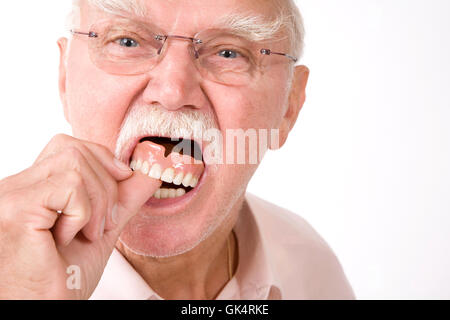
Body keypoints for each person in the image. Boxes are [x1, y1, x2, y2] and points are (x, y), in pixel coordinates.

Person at [0, 0, 354, 299]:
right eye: (126, 42)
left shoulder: (309, 266)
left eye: (229, 53)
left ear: (289, 106)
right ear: (64, 78)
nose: (172, 92)